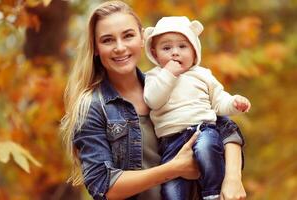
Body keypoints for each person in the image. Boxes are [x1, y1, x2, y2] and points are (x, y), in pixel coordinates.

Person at [60, 1, 247, 200]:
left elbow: (225, 128)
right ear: (96, 48)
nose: (120, 47)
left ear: (142, 38)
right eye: (107, 40)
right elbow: (103, 185)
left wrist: (233, 178)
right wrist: (174, 169)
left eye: (128, 35)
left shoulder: (169, 82)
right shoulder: (92, 106)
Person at [143, 16, 251, 200]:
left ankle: (212, 194)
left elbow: (218, 101)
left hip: (203, 129)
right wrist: (169, 74)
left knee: (207, 150)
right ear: (154, 53)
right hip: (171, 142)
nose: (175, 53)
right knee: (171, 189)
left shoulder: (202, 74)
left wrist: (234, 103)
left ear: (194, 50)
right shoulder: (154, 77)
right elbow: (153, 100)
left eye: (182, 46)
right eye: (166, 48)